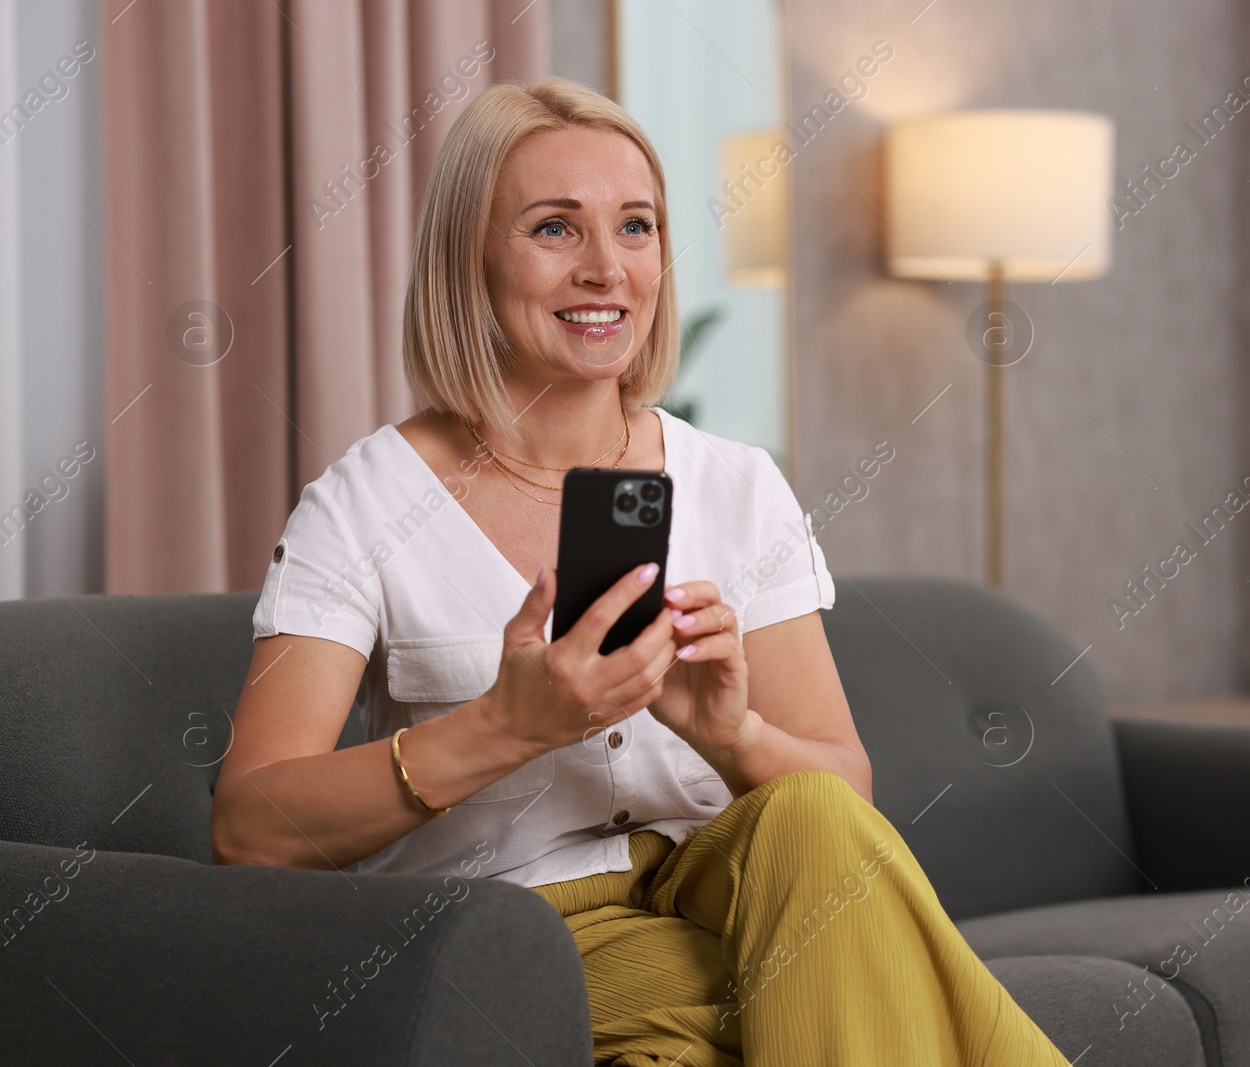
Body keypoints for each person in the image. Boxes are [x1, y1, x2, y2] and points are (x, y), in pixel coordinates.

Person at [211, 76, 1071, 1067]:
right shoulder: (364, 500)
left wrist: (732, 732)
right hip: (513, 932)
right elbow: (250, 828)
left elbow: (846, 794)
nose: (605, 269)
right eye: (552, 229)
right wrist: (505, 725)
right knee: (836, 984)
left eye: (635, 226)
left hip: (730, 887)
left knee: (810, 810)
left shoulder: (738, 485)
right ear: (468, 256)